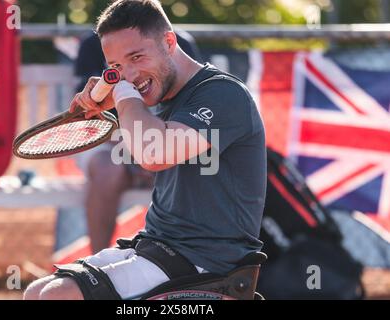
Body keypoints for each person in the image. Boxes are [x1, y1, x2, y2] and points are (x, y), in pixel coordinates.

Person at [24, 0, 266, 300]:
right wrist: (117, 99)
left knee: (58, 296)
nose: (129, 73)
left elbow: (153, 153)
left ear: (169, 41)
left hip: (207, 264)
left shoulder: (223, 94)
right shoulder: (161, 93)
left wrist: (123, 91)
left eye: (137, 56)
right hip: (158, 245)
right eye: (115, 67)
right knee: (37, 292)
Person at [74, 29, 202, 254]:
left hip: (164, 139)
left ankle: (188, 262)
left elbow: (189, 113)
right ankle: (95, 263)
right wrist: (135, 150)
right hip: (112, 142)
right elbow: (90, 113)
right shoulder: (94, 43)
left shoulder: (179, 42)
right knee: (107, 169)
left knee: (197, 166)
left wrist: (153, 150)